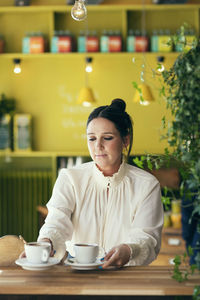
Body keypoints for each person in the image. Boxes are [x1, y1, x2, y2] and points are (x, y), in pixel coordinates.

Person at [37, 98, 164, 268]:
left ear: (125, 140)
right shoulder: (70, 178)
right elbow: (56, 222)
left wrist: (129, 250)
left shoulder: (147, 185)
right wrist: (46, 242)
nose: (98, 146)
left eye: (108, 138)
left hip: (126, 278)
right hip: (77, 275)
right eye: (91, 138)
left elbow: (147, 236)